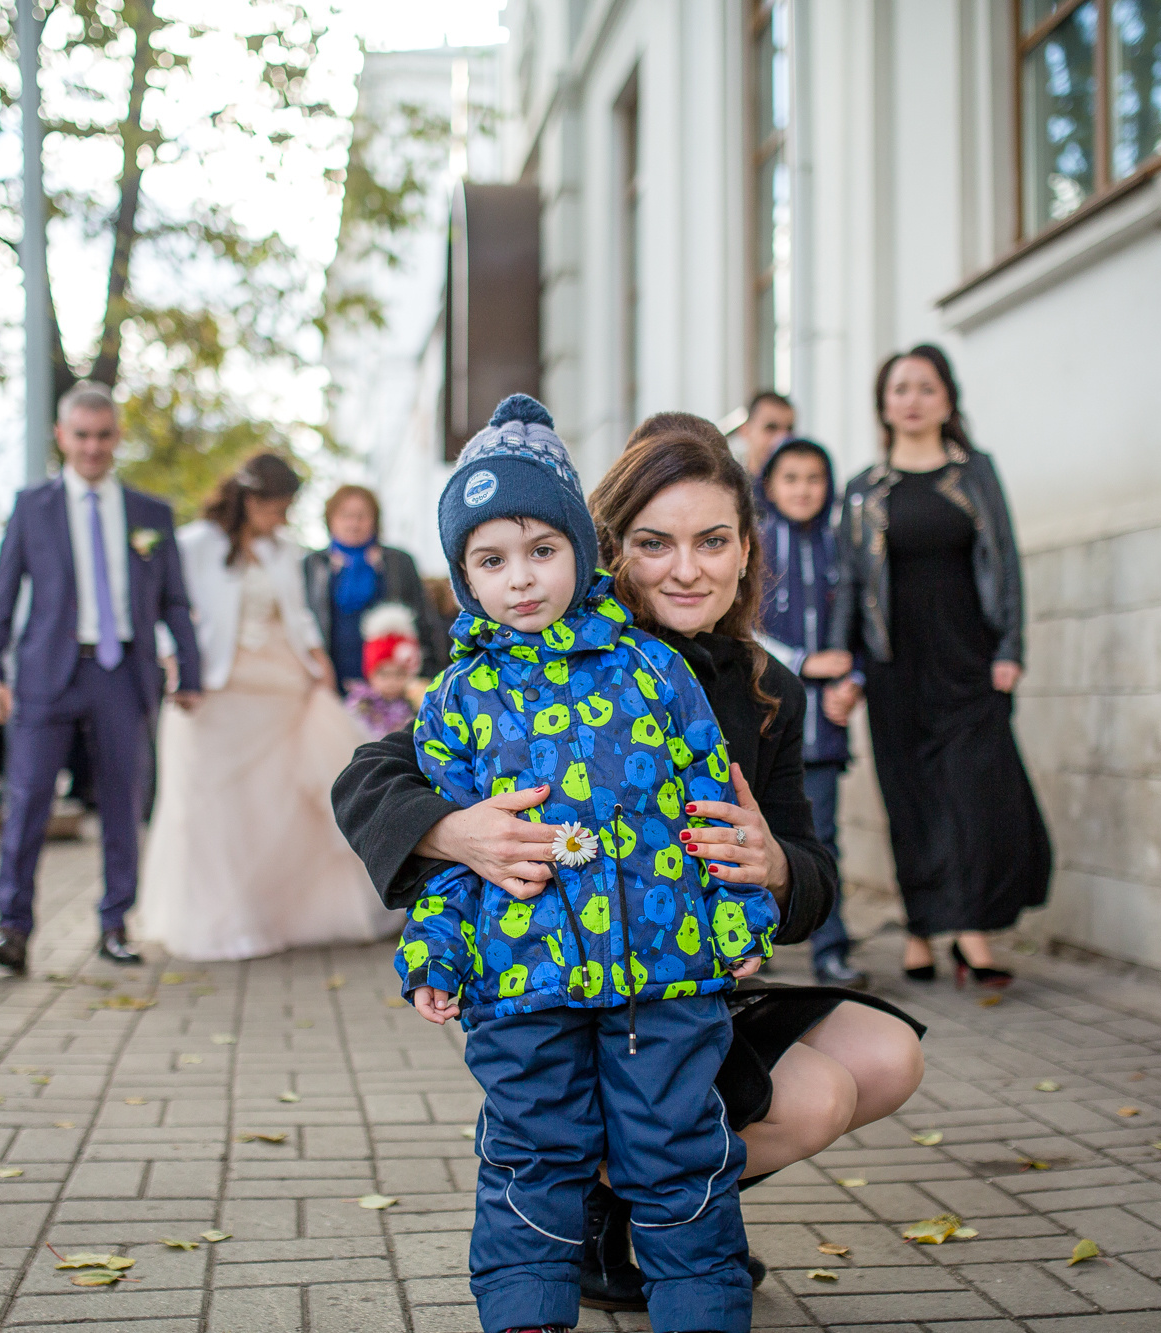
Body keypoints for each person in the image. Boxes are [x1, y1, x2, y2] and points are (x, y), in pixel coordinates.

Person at [333, 412, 926, 1314]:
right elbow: (372, 776)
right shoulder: (520, 666)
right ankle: (594, 1204)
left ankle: (655, 1205)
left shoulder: (761, 687)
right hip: (553, 982)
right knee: (771, 1103)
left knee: (883, 1057)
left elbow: (814, 872)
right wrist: (455, 832)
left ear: (745, 551)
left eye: (712, 540)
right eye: (655, 543)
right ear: (606, 547)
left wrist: (773, 867)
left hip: (683, 970)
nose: (686, 568)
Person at [398, 393, 777, 1333]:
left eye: (542, 550)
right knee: (531, 1150)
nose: (521, 579)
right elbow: (448, 850)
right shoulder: (455, 700)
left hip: (664, 972)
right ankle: (527, 1312)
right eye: (491, 560)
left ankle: (703, 1311)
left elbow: (709, 804)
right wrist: (434, 950)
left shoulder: (654, 671)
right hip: (521, 980)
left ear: (579, 547)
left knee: (679, 1148)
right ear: (463, 576)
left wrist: (739, 914)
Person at [823, 344, 1051, 986]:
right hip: (894, 666)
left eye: (926, 388)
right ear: (883, 404)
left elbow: (1005, 560)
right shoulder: (864, 490)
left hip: (969, 662)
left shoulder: (975, 474)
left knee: (976, 796)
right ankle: (923, 929)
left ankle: (971, 932)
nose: (913, 400)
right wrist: (844, 667)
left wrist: (1010, 649)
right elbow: (849, 581)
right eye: (900, 389)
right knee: (910, 798)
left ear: (947, 400)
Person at [0, 382, 203, 973]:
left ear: (117, 436)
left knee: (123, 802)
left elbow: (176, 601)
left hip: (123, 673)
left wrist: (191, 670)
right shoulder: (32, 508)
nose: (93, 447)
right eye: (81, 436)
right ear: (61, 436)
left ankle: (115, 925)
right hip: (47, 673)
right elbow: (0, 600)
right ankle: (12, 929)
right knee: (28, 799)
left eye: (103, 436)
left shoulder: (151, 514)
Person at [135, 454, 400, 960]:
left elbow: (297, 615)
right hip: (213, 691)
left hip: (280, 686)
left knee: (274, 807)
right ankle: (221, 921)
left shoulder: (285, 552)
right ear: (251, 500)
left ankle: (273, 914)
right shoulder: (193, 544)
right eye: (278, 507)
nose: (283, 517)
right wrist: (174, 662)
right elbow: (163, 608)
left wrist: (318, 659)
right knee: (212, 810)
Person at [754, 437, 860, 987]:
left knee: (821, 838)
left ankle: (830, 949)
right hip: (760, 720)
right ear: (769, 486)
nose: (803, 489)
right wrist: (802, 663)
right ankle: (750, 940)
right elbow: (740, 626)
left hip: (823, 730)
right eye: (790, 478)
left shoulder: (842, 548)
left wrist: (853, 680)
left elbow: (863, 624)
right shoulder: (751, 546)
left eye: (814, 478)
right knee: (749, 833)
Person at [304, 483, 447, 690]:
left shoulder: (398, 561)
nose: (354, 523)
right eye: (345, 515)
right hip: (331, 678)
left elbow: (425, 621)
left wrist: (430, 675)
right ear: (330, 519)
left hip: (393, 683)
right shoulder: (313, 564)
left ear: (375, 520)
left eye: (361, 516)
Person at [342, 603, 423, 739]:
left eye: (399, 674)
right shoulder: (361, 705)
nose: (391, 682)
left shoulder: (416, 704)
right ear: (370, 674)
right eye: (384, 675)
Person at [728, 389, 794, 480]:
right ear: (745, 430)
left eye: (789, 430)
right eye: (771, 428)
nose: (781, 438)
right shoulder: (731, 483)